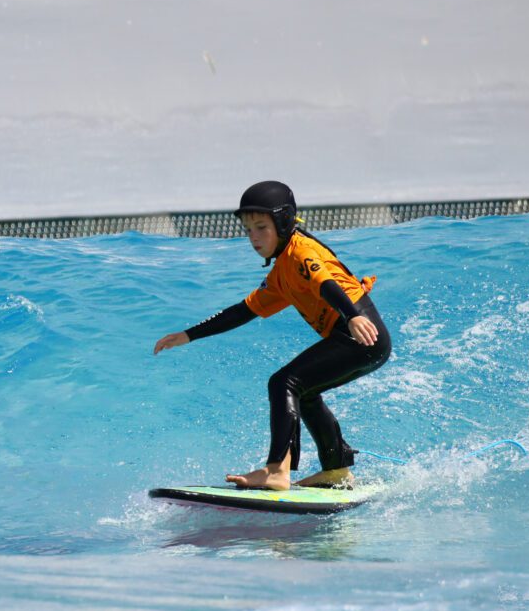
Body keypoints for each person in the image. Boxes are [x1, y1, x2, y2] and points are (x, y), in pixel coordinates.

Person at [152, 180, 391, 490]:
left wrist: (353, 315)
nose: (253, 237)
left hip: (359, 331)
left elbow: (326, 284)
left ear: (283, 222)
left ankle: (277, 470)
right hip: (363, 338)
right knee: (303, 391)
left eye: (261, 227)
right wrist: (188, 335)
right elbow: (244, 310)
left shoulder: (301, 252)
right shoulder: (281, 275)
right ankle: (336, 470)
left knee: (284, 382)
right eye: (248, 229)